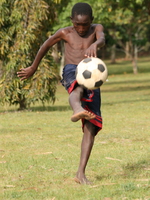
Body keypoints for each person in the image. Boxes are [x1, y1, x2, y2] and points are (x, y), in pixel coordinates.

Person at [17, 2, 105, 184]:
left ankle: (80, 173)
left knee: (92, 125)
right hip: (72, 70)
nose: (81, 28)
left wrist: (95, 43)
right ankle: (76, 109)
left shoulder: (96, 29)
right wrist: (33, 67)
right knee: (78, 88)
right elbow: (45, 45)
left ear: (92, 21)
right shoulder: (65, 32)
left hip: (92, 75)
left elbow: (102, 38)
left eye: (85, 24)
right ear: (71, 20)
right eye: (77, 24)